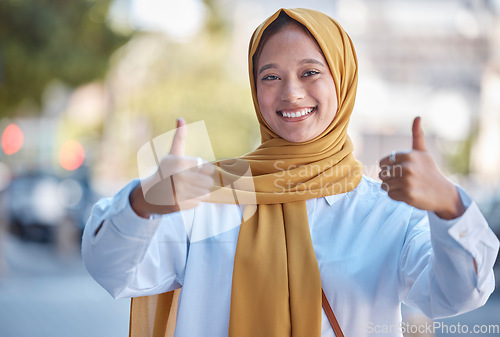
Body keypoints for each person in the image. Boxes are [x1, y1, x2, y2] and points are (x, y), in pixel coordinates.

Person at [82, 8, 499, 337]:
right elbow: (114, 272)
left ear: (343, 79)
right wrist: (143, 202)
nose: (291, 92)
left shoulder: (385, 213)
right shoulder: (208, 197)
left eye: (310, 72)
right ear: (255, 88)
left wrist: (449, 205)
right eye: (270, 76)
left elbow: (457, 296)